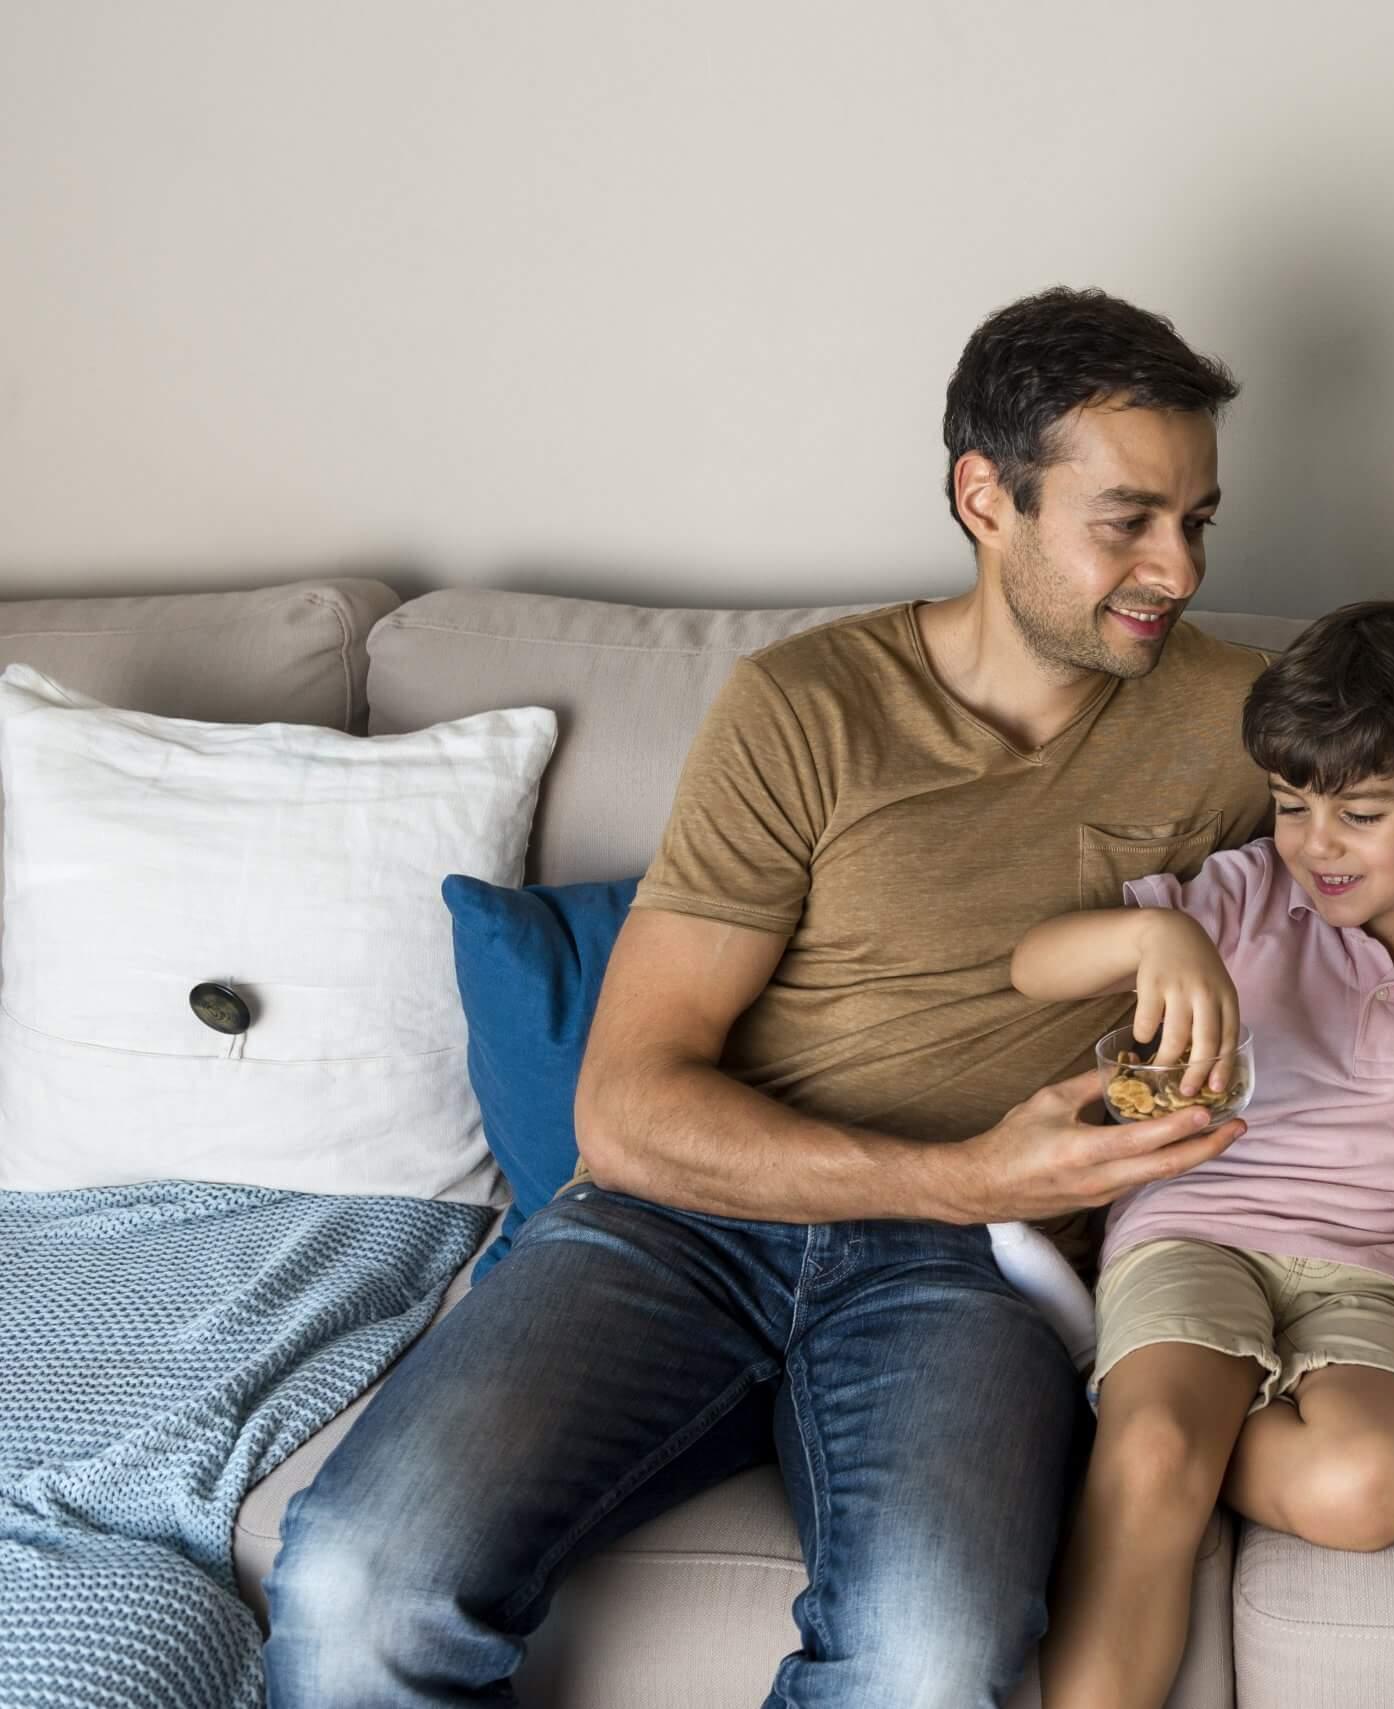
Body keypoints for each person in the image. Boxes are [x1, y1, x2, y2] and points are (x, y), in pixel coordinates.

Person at [261, 287, 1271, 1709]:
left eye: (1199, 518)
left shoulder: (1240, 716)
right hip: (684, 1231)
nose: (1177, 567)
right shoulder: (804, 706)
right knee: (359, 1580)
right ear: (987, 497)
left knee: (928, 1661)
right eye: (1129, 520)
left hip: (969, 1276)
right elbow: (625, 1106)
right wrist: (964, 1167)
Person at [1015, 600, 1394, 1709]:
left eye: (1360, 813)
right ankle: (1151, 1417)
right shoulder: (1241, 895)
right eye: (1290, 805)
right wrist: (1152, 936)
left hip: (1374, 1275)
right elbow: (1033, 963)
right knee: (1161, 1457)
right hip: (1198, 1224)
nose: (1316, 843)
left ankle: (1132, 1400)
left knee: (1370, 1485)